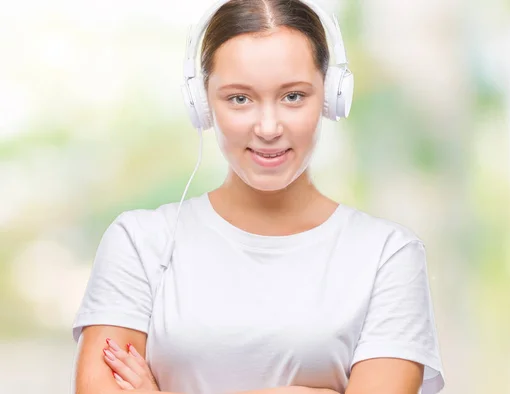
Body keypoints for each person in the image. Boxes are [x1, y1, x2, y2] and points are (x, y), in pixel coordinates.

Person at [71, 1, 445, 394]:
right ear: (202, 104)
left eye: (294, 96)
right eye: (239, 99)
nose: (268, 127)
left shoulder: (387, 254)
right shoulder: (139, 242)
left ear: (332, 97)